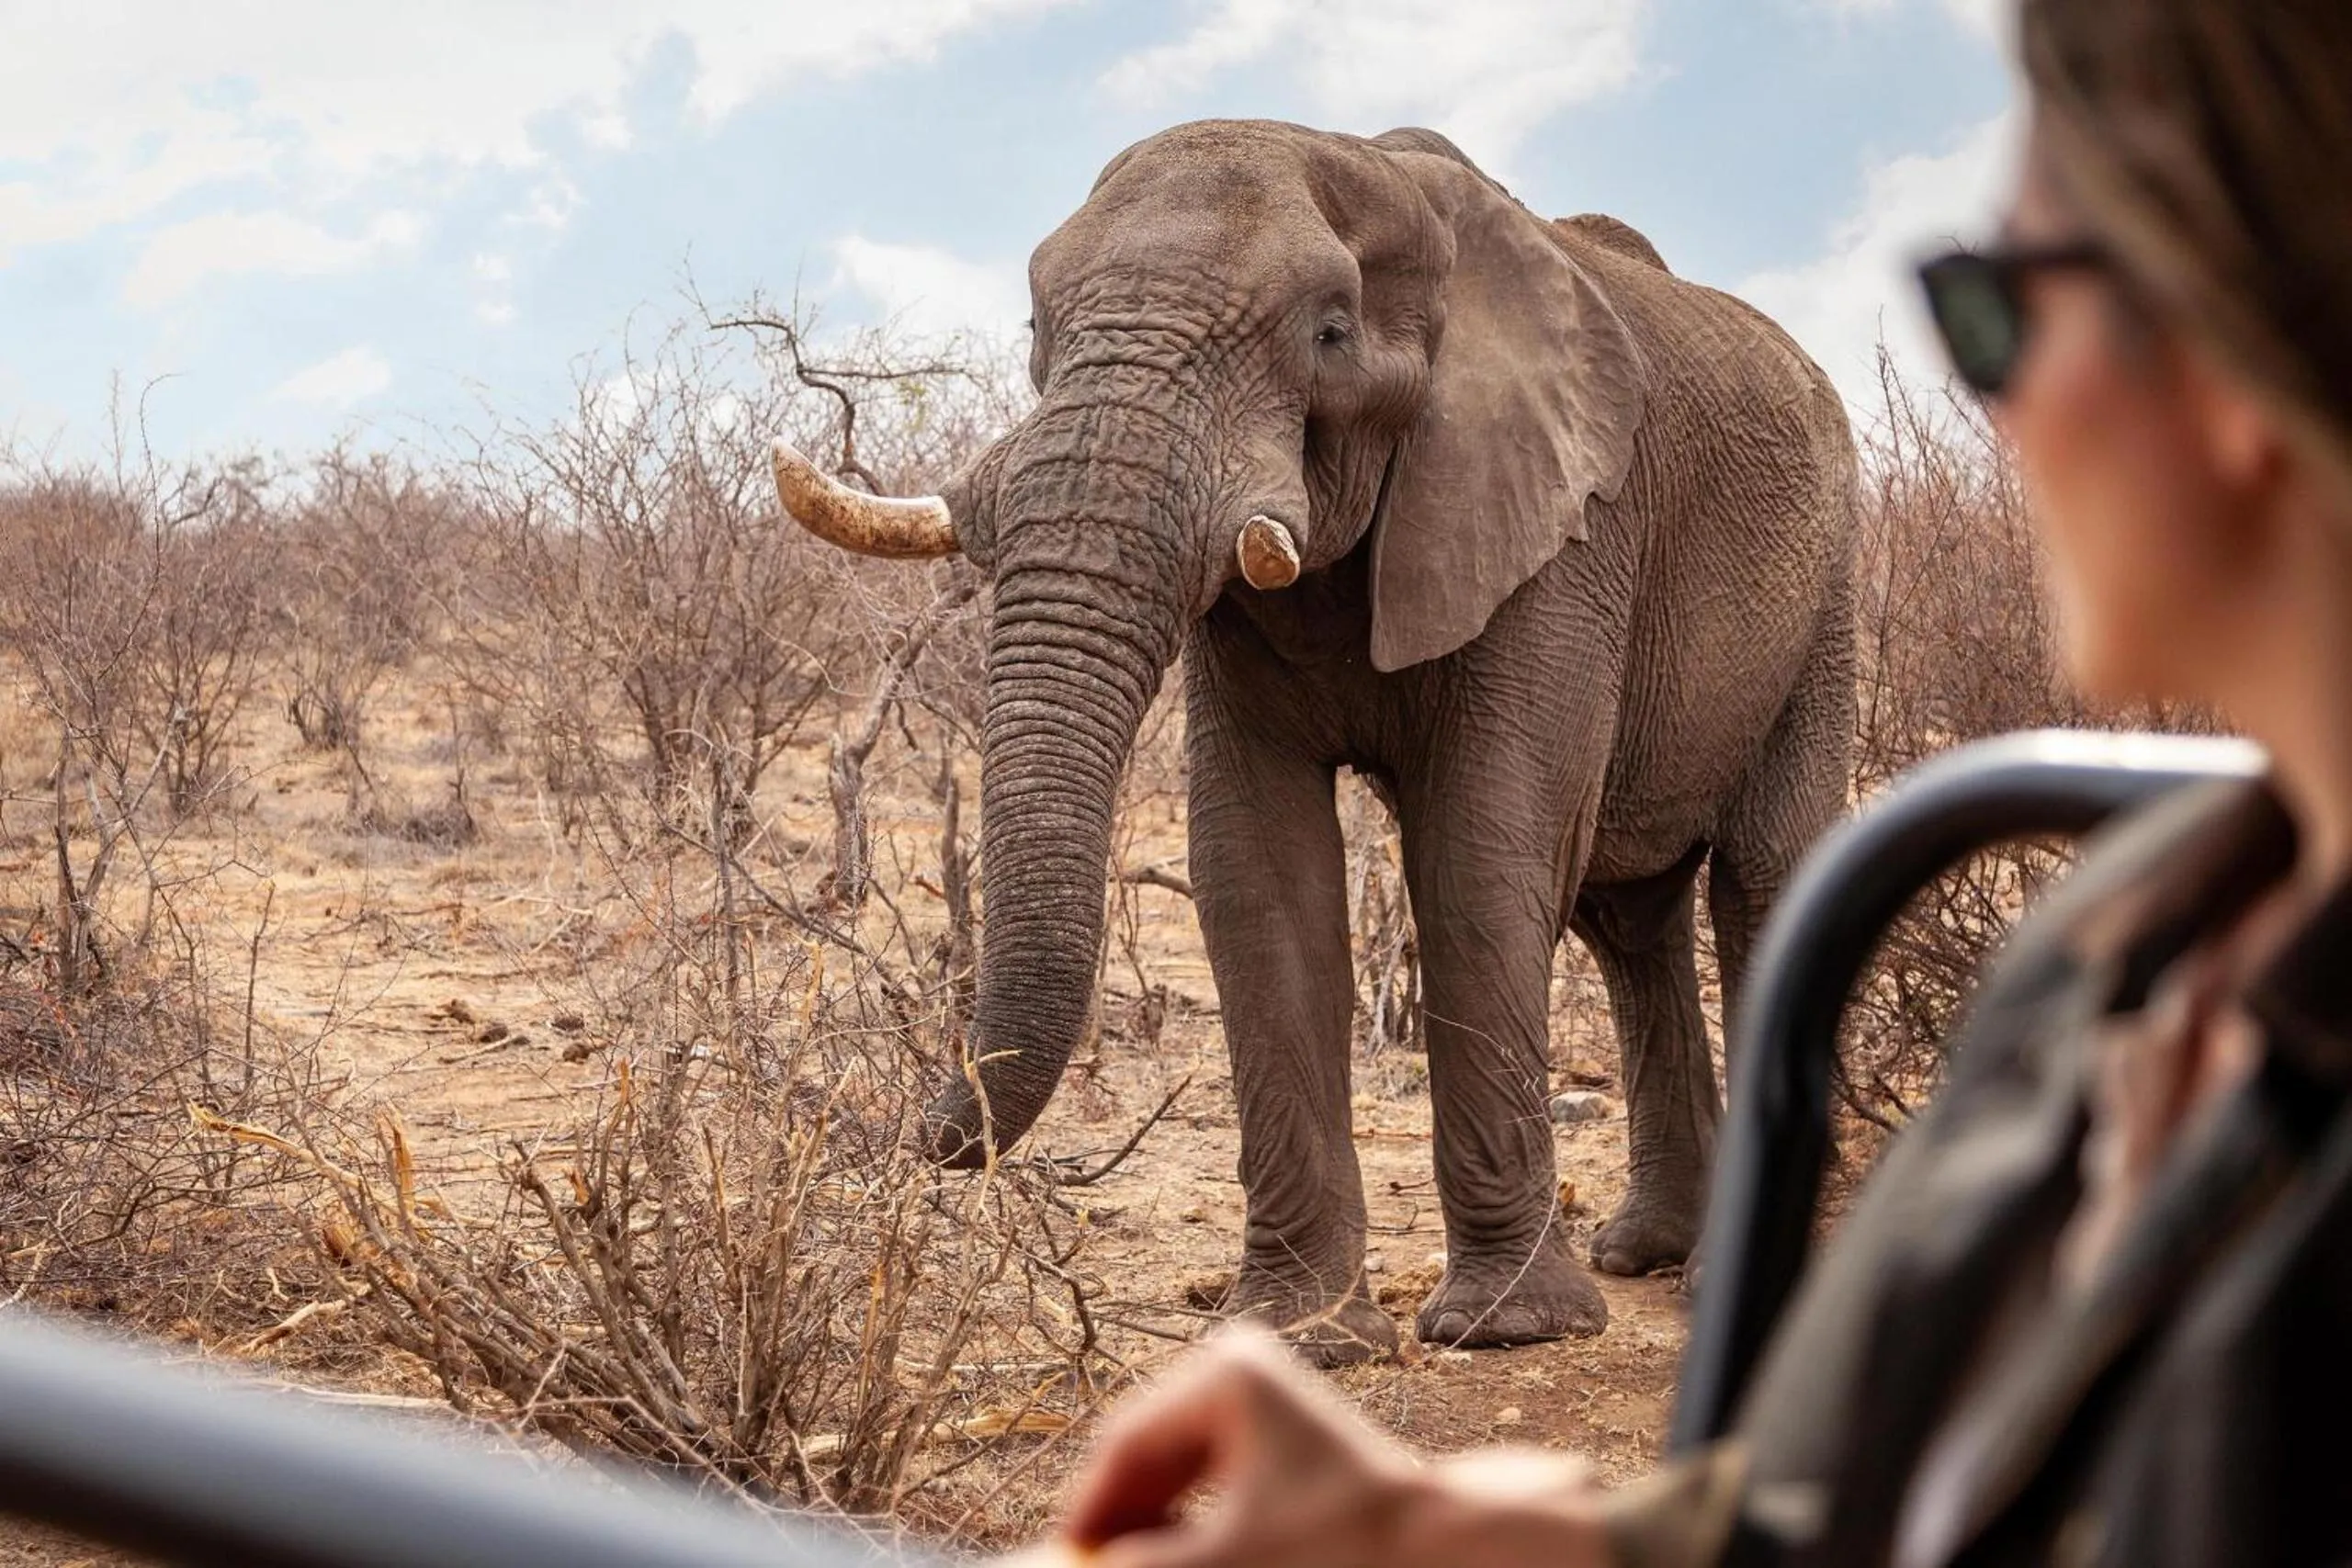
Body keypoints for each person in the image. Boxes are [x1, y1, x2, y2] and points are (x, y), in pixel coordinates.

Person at [1003, 1, 2352, 1563]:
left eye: (1991, 314)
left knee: (1758, 886)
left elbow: (1487, 875)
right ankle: (1410, 1232)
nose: (1999, 405)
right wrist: (1547, 1539)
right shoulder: (2126, 945)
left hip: (1666, 668)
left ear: (2230, 354)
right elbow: (1887, 1516)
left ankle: (1526, 1235)